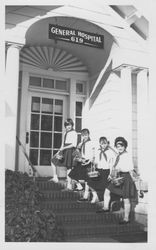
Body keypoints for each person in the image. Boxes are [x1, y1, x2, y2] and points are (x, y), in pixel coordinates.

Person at [96, 136, 137, 225]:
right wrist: (111, 175)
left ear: (125, 146)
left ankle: (126, 219)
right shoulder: (118, 155)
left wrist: (120, 169)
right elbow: (115, 166)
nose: (120, 148)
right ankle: (106, 207)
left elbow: (130, 168)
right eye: (118, 146)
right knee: (107, 190)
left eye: (121, 146)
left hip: (125, 178)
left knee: (126, 199)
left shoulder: (127, 155)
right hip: (118, 177)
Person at [50, 118, 78, 190]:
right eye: (67, 125)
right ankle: (55, 177)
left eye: (70, 125)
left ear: (72, 125)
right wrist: (58, 152)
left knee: (69, 168)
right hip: (64, 150)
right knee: (53, 160)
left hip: (70, 151)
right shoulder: (65, 133)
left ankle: (69, 185)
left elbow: (74, 144)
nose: (68, 127)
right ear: (65, 126)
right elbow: (63, 144)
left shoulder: (74, 133)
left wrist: (64, 148)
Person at [87, 137, 116, 203]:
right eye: (102, 144)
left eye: (105, 143)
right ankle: (95, 196)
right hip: (98, 170)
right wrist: (93, 162)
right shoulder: (98, 151)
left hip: (106, 171)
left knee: (105, 187)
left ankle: (104, 200)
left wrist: (111, 174)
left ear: (107, 143)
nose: (104, 145)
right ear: (100, 144)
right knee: (90, 183)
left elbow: (111, 164)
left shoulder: (110, 152)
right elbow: (96, 161)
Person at [69, 128, 93, 201]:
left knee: (87, 179)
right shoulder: (81, 143)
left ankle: (85, 196)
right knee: (72, 174)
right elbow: (77, 152)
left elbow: (93, 154)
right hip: (81, 161)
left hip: (88, 161)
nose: (84, 137)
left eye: (86, 135)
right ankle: (79, 187)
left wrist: (88, 161)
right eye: (83, 135)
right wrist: (79, 146)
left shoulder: (91, 143)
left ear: (88, 135)